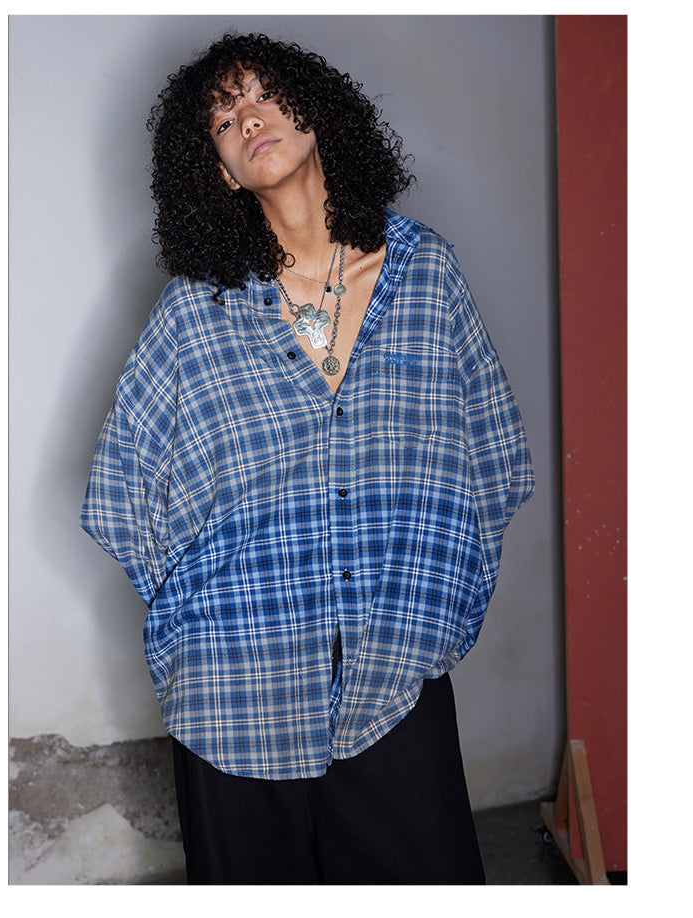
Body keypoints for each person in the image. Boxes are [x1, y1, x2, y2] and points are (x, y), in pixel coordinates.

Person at [81, 32, 534, 885]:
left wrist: (435, 612)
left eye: (261, 94)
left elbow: (493, 461)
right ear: (221, 173)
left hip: (394, 673)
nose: (247, 118)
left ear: (314, 114)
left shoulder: (426, 276)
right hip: (235, 698)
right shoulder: (194, 315)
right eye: (223, 119)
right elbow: (120, 496)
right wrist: (203, 623)